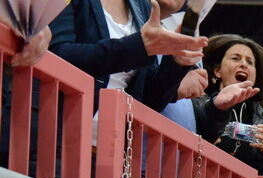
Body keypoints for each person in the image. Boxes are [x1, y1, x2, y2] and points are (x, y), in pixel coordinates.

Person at [50, 0, 205, 113]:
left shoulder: (142, 7)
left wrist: (175, 63)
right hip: (57, 131)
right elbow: (56, 55)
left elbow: (146, 100)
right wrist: (138, 46)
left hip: (113, 144)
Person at [193, 34, 263, 178]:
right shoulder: (198, 104)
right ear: (217, 71)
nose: (243, 64)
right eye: (235, 58)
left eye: (250, 62)